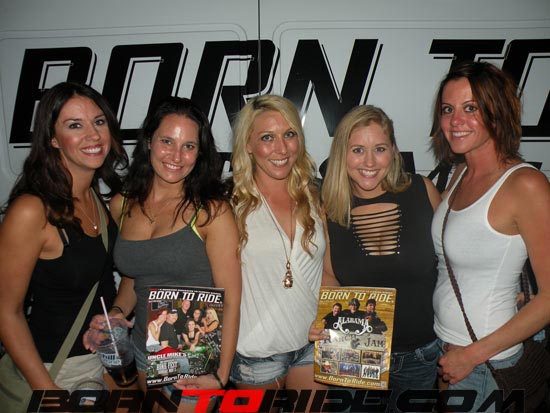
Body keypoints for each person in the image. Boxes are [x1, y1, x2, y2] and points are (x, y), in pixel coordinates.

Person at [84, 96, 241, 412]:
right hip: (143, 351)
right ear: (148, 142)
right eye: (167, 141)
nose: (177, 156)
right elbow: (135, 277)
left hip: (194, 357)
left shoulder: (211, 212)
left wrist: (221, 374)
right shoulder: (122, 204)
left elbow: (232, 299)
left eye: (189, 146)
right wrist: (117, 312)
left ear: (200, 153)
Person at [430, 61, 550, 410]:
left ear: (497, 112)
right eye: (448, 110)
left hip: (485, 361)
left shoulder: (525, 184)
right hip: (448, 348)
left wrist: (471, 355)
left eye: (471, 108)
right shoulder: (459, 174)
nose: (456, 120)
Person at [310, 104, 441, 409]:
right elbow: (329, 274)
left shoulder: (422, 190)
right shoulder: (329, 205)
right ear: (342, 154)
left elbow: (451, 262)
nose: (369, 162)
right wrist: (326, 318)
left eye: (379, 149)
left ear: (393, 150)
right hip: (353, 351)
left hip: (420, 354)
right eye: (357, 150)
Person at [0, 82, 127, 393]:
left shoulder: (94, 197)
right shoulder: (31, 211)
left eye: (99, 121)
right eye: (75, 125)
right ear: (53, 138)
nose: (93, 135)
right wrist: (47, 391)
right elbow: (6, 311)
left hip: (101, 362)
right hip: (56, 371)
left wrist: (115, 315)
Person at [229, 94, 327, 405]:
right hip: (255, 351)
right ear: (248, 144)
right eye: (267, 138)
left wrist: (330, 316)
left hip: (311, 342)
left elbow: (328, 271)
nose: (281, 149)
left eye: (289, 134)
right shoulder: (229, 203)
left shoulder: (316, 194)